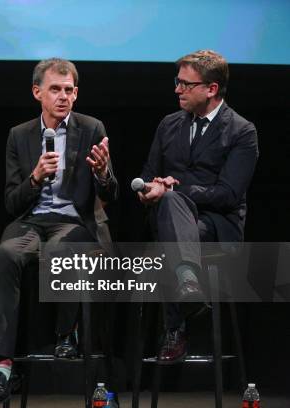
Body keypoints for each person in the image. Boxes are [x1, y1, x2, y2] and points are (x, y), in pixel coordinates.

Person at [0, 58, 118, 404]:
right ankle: (2, 365)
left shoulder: (92, 129)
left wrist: (104, 175)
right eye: (55, 89)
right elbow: (12, 202)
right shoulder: (19, 135)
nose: (63, 96)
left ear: (76, 94)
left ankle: (65, 334)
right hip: (30, 222)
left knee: (65, 250)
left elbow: (111, 194)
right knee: (5, 255)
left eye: (69, 90)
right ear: (37, 92)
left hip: (73, 222)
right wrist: (35, 177)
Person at [138, 50, 259, 364]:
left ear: (212, 89)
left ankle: (175, 328)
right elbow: (149, 173)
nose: (177, 90)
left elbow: (229, 195)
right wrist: (148, 189)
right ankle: (188, 283)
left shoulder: (242, 131)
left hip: (217, 224)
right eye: (177, 82)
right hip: (168, 216)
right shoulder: (169, 124)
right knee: (167, 204)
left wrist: (175, 188)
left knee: (171, 205)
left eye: (185, 84)